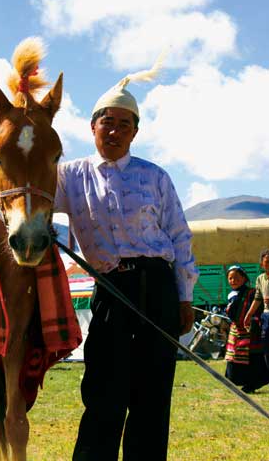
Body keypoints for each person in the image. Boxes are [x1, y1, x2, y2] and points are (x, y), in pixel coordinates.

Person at [54, 69, 198, 461]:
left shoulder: (155, 177)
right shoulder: (68, 177)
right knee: (103, 390)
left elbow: (180, 237)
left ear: (135, 132)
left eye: (124, 125)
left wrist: (184, 297)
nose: (114, 131)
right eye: (107, 122)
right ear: (92, 127)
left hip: (158, 287)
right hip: (111, 290)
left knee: (152, 395)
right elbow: (28, 192)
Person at [224, 265, 268, 393]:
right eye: (230, 278)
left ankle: (251, 384)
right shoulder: (231, 295)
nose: (233, 281)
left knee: (253, 360)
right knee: (235, 359)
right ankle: (242, 382)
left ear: (244, 278)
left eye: (237, 278)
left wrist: (254, 322)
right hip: (236, 333)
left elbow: (257, 310)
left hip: (250, 333)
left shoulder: (252, 293)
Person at [244, 249, 269, 375]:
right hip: (266, 317)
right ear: (262, 264)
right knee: (266, 347)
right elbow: (258, 298)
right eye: (267, 262)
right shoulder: (260, 279)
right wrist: (248, 315)